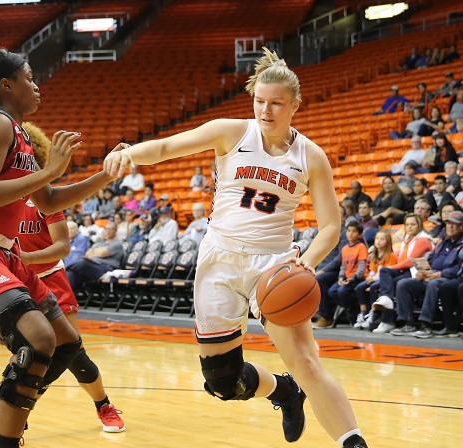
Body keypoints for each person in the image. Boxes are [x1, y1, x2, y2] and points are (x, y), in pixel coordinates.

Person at [102, 48, 369, 448]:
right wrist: (128, 153)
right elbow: (165, 148)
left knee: (307, 362)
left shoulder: (311, 156)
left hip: (275, 264)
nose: (266, 110)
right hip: (220, 257)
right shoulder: (231, 132)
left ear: (295, 105)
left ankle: (353, 442)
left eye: (276, 103)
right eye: (260, 101)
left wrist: (308, 262)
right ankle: (283, 391)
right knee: (223, 382)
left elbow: (332, 226)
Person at [0, 49, 119, 448]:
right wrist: (50, 171)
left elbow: (48, 201)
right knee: (39, 339)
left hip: (1, 253)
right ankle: (3, 437)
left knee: (65, 343)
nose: (37, 85)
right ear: (6, 84)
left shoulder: (19, 135)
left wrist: (106, 175)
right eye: (29, 77)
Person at [0, 129, 125, 435]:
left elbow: (62, 247)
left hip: (47, 278)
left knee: (73, 353)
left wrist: (25, 260)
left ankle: (104, 405)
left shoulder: (41, 196)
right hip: (4, 278)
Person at [389, 210, 463, 337]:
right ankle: (408, 323)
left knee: (433, 284)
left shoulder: (461, 244)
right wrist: (422, 272)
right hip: (431, 275)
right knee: (403, 284)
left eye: (454, 224)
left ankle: (426, 324)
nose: (450, 226)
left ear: (461, 226)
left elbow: (458, 269)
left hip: (447, 279)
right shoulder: (442, 242)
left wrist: (439, 274)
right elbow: (430, 260)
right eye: (448, 223)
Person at [371, 214, 434, 333]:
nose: (409, 227)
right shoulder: (407, 239)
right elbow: (400, 257)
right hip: (405, 271)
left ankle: (389, 320)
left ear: (419, 225)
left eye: (413, 224)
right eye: (407, 224)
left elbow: (410, 261)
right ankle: (386, 308)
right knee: (384, 272)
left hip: (416, 273)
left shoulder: (423, 239)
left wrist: (392, 266)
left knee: (395, 282)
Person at [314, 222, 368, 328]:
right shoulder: (345, 248)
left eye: (354, 231)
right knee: (332, 292)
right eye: (349, 231)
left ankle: (353, 312)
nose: (351, 234)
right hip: (346, 277)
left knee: (342, 291)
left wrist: (352, 278)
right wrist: (340, 278)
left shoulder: (361, 247)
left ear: (359, 234)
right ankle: (351, 309)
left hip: (357, 278)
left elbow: (362, 267)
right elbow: (343, 266)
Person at [354, 230, 397, 330]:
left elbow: (386, 272)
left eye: (382, 239)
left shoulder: (391, 256)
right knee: (359, 288)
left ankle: (374, 312)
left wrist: (372, 279)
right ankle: (363, 312)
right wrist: (370, 277)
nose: (378, 241)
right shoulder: (374, 255)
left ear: (388, 242)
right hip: (375, 278)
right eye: (377, 239)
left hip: (385, 280)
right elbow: (373, 270)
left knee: (373, 287)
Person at [65, 222, 124, 292]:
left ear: (116, 231)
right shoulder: (100, 243)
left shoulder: (117, 244)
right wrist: (96, 252)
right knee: (71, 274)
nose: (108, 231)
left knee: (82, 263)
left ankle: (64, 269)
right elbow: (88, 253)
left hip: (105, 267)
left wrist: (94, 252)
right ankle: (67, 300)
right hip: (92, 265)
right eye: (106, 229)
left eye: (111, 229)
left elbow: (102, 253)